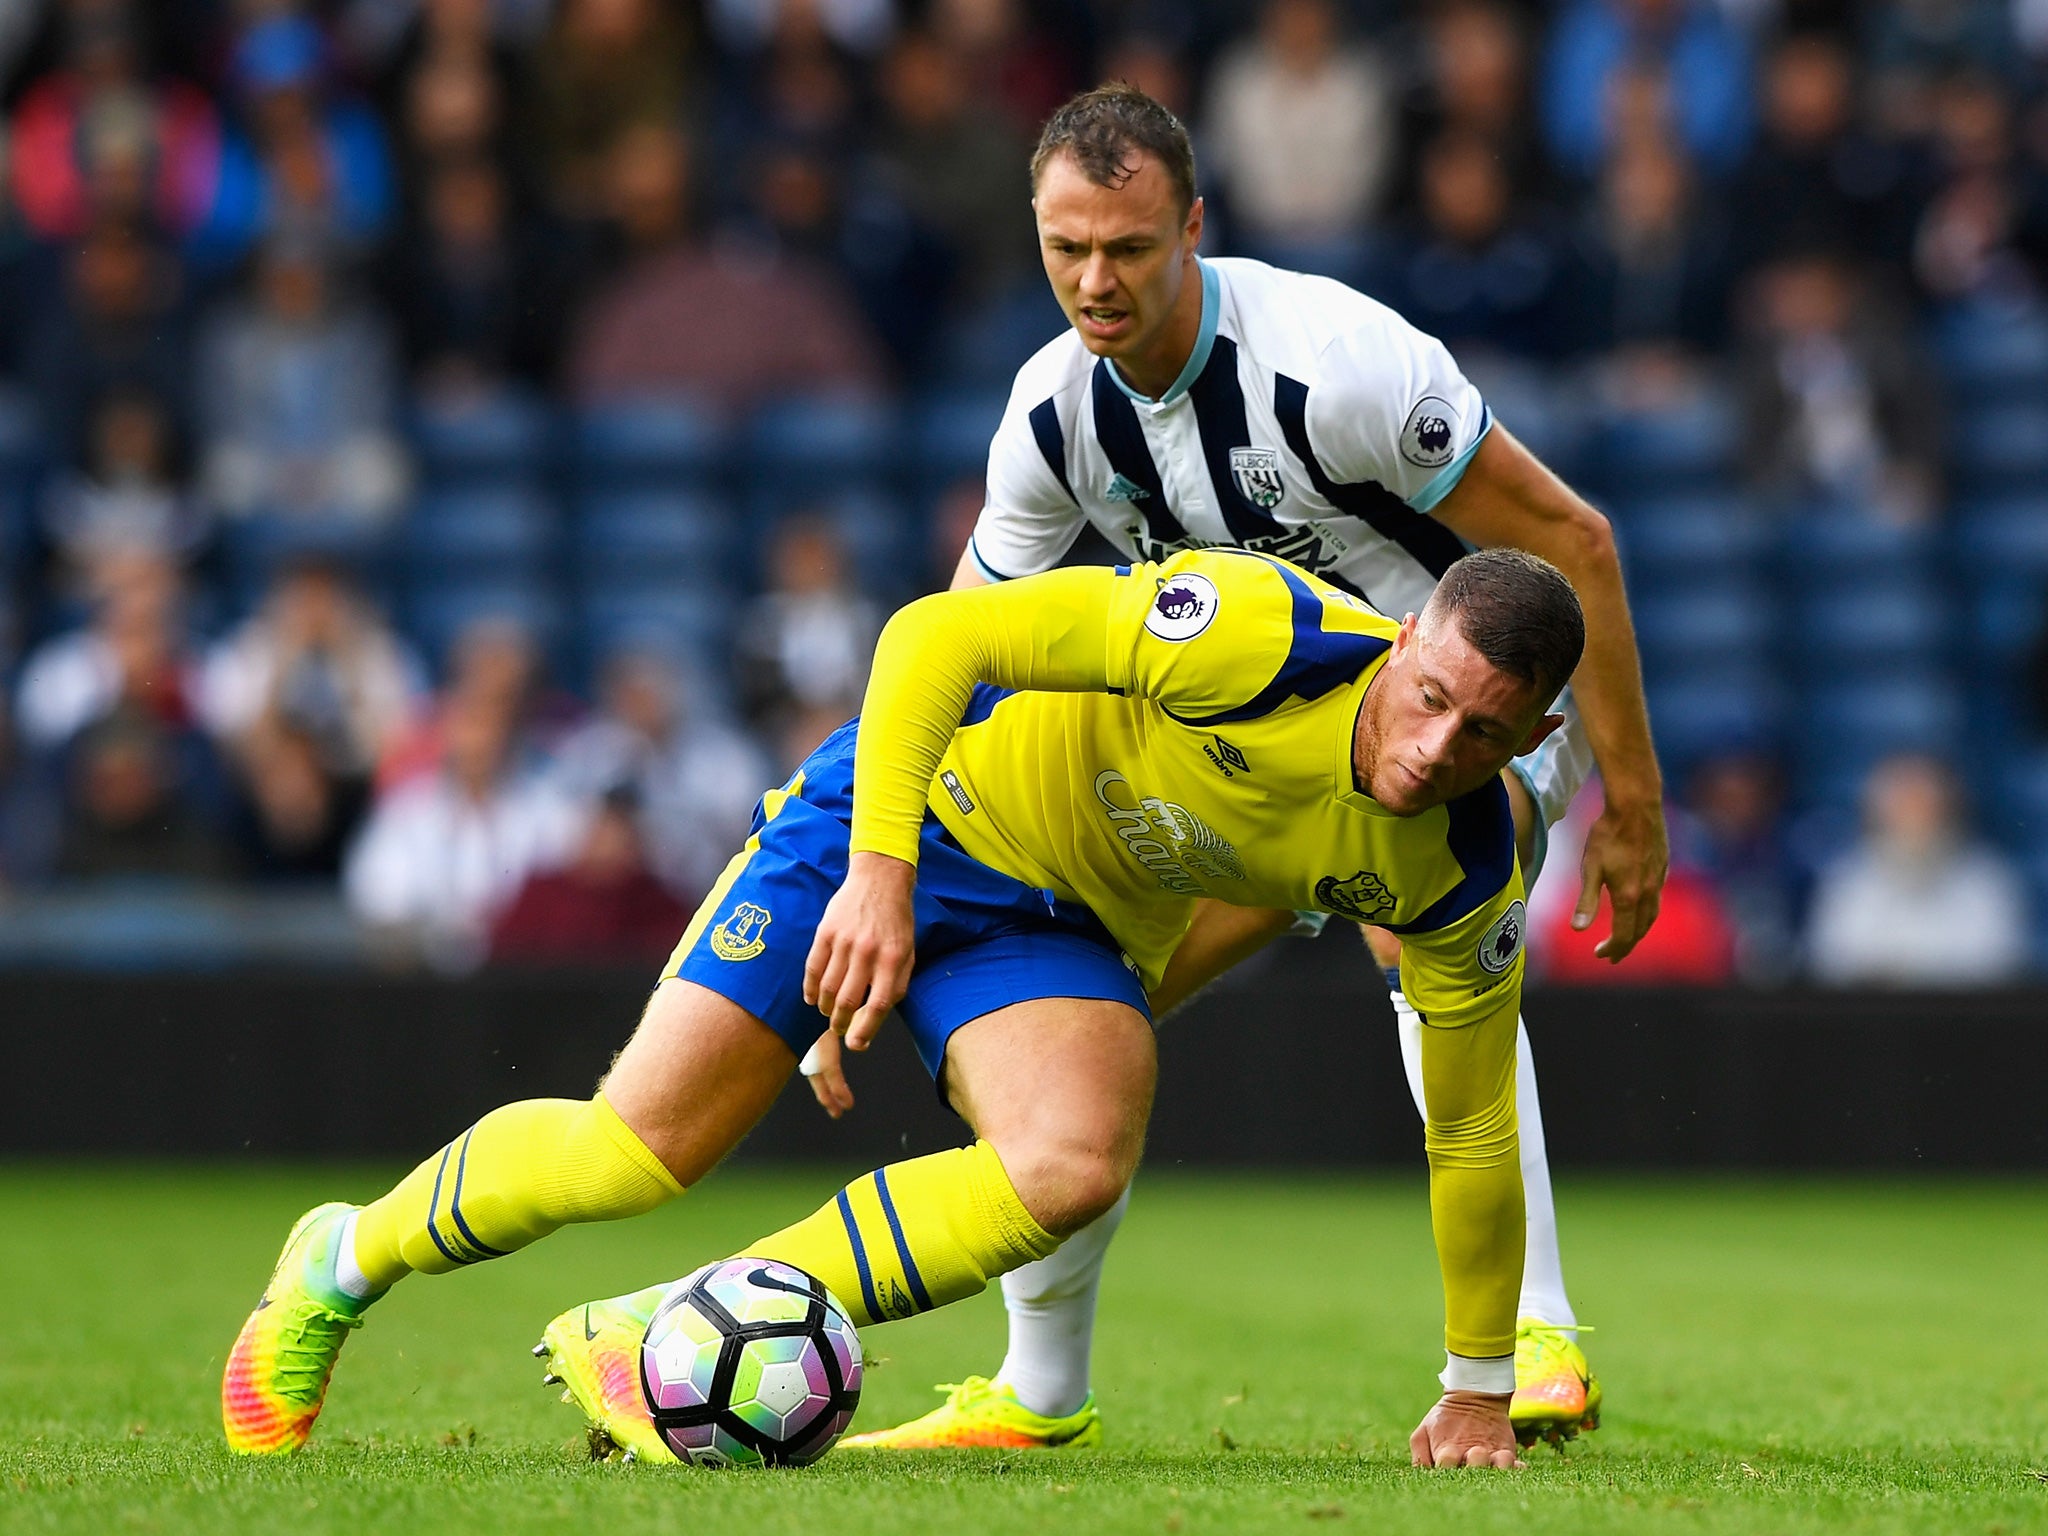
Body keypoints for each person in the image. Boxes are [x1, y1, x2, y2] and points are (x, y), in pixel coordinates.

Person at [222, 544, 1586, 1475]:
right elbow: (935, 632)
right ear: (1405, 641)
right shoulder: (1250, 633)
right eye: (1429, 698)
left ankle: (659, 1334)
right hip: (905, 821)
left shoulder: (1460, 869)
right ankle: (338, 1262)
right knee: (631, 1151)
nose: (1433, 750)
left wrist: (1477, 1379)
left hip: (1054, 923)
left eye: (1481, 734)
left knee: (1071, 1161)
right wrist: (877, 874)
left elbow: (1467, 1129)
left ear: (1528, 742)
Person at [802, 84, 1666, 1452]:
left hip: (1456, 722)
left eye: (1131, 248)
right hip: (1254, 745)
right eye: (1067, 249)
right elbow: (958, 660)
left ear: (1193, 227)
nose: (1096, 280)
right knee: (1089, 996)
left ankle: (1532, 1343)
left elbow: (1577, 542)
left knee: (1420, 919)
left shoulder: (1337, 367)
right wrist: (872, 891)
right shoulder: (1050, 420)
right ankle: (1038, 1393)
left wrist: (1631, 801)